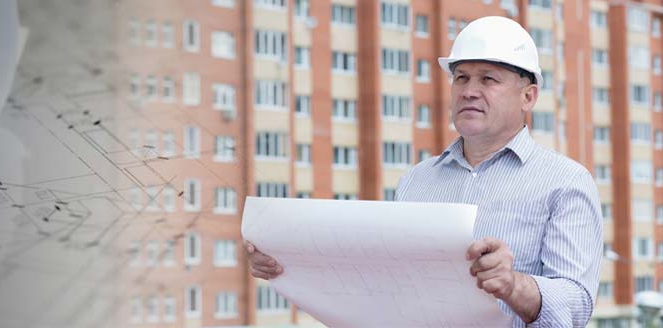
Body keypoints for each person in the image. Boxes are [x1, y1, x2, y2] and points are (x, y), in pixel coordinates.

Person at [245, 16, 602, 327]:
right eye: (461, 78)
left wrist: (512, 285)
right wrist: (290, 264)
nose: (469, 91)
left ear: (529, 96)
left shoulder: (565, 182)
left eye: (488, 79)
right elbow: (382, 283)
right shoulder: (418, 181)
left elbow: (576, 306)